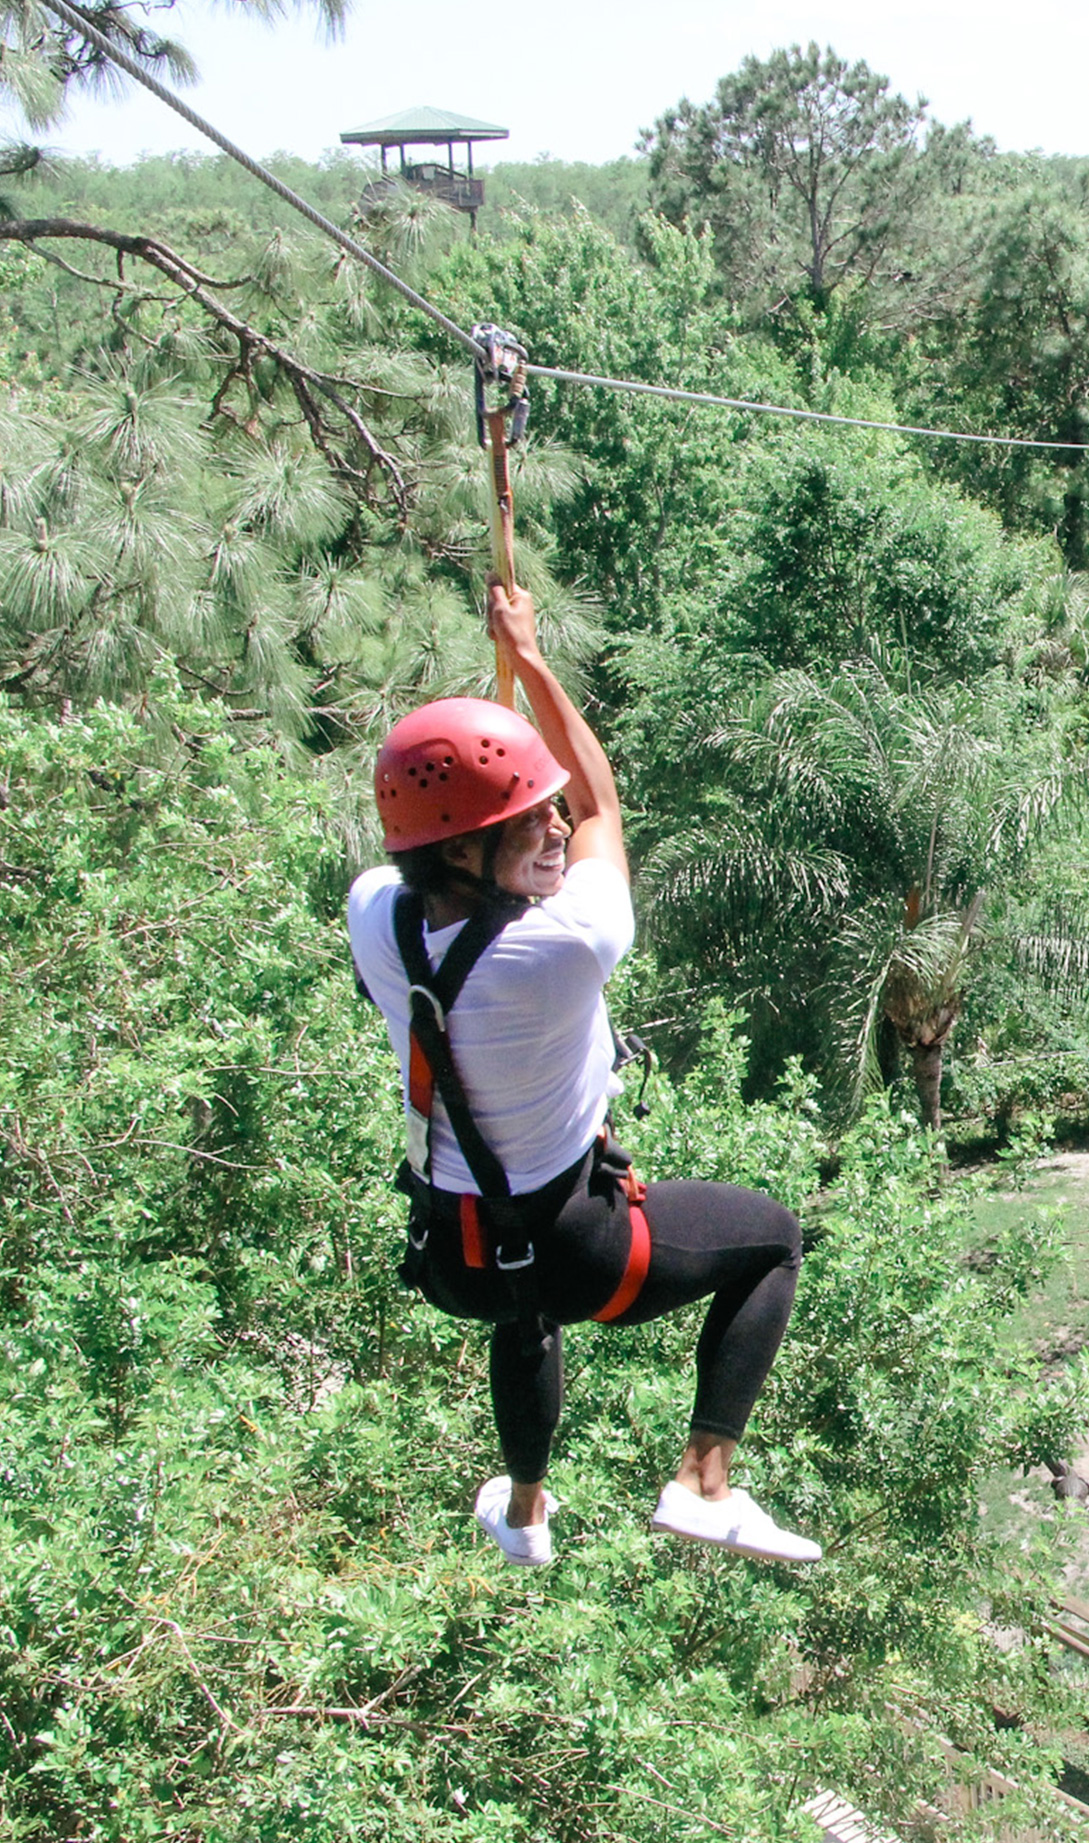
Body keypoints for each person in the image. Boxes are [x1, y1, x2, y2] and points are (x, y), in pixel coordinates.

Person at [347, 583, 817, 1568]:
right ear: (467, 850)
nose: (558, 829)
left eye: (549, 814)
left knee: (524, 1315)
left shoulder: (374, 915)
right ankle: (705, 1483)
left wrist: (492, 761)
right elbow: (602, 795)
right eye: (528, 824)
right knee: (773, 1241)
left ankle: (524, 1511)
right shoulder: (570, 942)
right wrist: (528, 656)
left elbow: (473, 843)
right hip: (582, 1244)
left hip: (452, 1256)